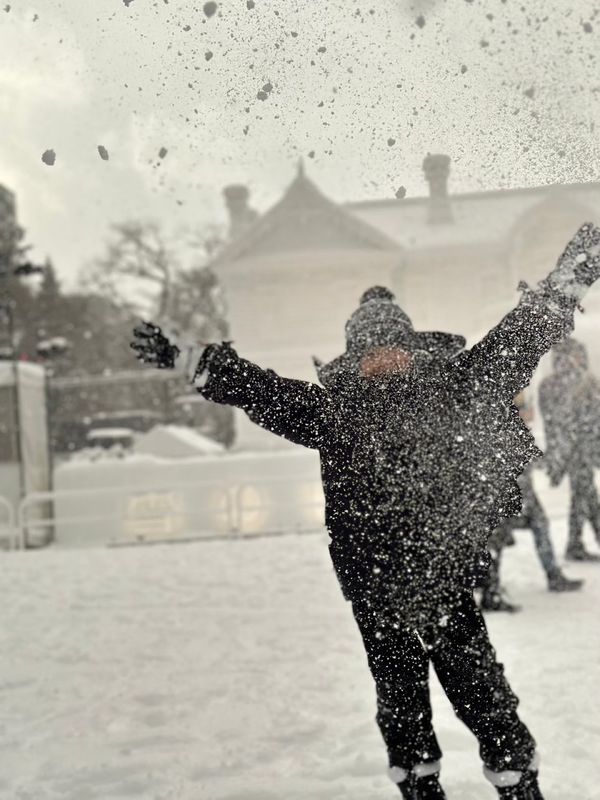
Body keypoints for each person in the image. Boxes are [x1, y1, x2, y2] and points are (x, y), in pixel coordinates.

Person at [131, 223, 600, 800]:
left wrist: (566, 285)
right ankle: (420, 787)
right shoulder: (335, 413)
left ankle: (519, 786)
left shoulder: (454, 389)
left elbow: (517, 339)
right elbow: (260, 390)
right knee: (401, 707)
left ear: (411, 346)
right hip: (376, 591)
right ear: (353, 358)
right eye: (369, 350)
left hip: (443, 577)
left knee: (484, 696)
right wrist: (188, 359)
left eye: (391, 345)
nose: (382, 358)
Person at [479, 394, 583, 613]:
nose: (532, 415)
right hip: (507, 497)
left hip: (513, 496)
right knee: (497, 541)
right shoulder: (508, 429)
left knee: (510, 536)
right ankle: (490, 591)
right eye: (528, 410)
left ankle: (490, 587)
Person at [539, 337, 600, 561]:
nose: (580, 358)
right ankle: (575, 545)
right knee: (584, 495)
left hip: (577, 448)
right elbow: (561, 421)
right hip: (576, 449)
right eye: (576, 354)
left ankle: (576, 544)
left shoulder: (579, 382)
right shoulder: (570, 383)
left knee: (586, 495)